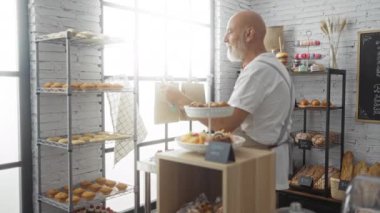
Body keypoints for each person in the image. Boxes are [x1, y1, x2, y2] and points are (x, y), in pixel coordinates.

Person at [163, 10, 294, 190]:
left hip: (256, 159)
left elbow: (224, 124)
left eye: (230, 31)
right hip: (264, 156)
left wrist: (180, 100)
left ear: (249, 34)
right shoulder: (271, 65)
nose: (225, 39)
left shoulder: (258, 71)